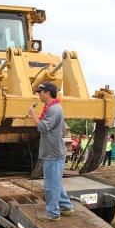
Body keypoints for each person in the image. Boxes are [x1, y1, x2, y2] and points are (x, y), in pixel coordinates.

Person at [28, 82, 73, 221]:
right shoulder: (53, 108)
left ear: (47, 93)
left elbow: (42, 127)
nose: (39, 94)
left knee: (50, 184)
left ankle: (53, 213)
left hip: (53, 153)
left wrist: (33, 114)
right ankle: (66, 206)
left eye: (40, 92)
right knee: (56, 182)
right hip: (54, 152)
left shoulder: (53, 109)